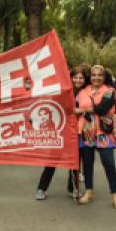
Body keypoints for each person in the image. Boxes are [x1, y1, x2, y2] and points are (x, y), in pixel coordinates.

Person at [36, 66, 90, 200]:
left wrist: (84, 110)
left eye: (81, 77)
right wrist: (85, 109)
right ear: (70, 78)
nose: (78, 80)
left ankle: (73, 189)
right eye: (75, 77)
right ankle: (41, 188)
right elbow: (66, 109)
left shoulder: (86, 92)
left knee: (75, 161)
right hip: (62, 131)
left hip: (78, 131)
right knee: (53, 160)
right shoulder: (64, 91)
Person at [76, 65, 116, 209]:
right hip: (86, 131)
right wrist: (78, 110)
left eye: (99, 75)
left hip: (104, 133)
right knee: (88, 163)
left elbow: (101, 108)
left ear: (104, 77)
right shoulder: (83, 92)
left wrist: (83, 110)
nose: (96, 77)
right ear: (90, 76)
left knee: (109, 163)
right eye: (93, 75)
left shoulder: (110, 91)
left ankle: (115, 194)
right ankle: (89, 191)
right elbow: (73, 109)